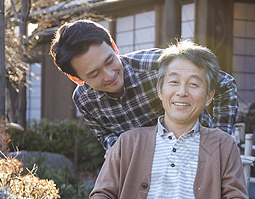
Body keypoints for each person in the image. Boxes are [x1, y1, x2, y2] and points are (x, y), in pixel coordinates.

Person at [71, 40, 251, 199]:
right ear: (159, 90)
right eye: (174, 82)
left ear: (209, 95)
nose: (182, 92)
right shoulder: (128, 141)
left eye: (194, 84)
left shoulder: (222, 143)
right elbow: (103, 195)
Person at [50, 20, 238, 151]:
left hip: (197, 153)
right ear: (77, 79)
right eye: (94, 74)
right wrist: (118, 150)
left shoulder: (157, 64)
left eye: (109, 61)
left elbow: (225, 84)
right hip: (146, 172)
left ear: (114, 47)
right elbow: (105, 135)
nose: (109, 75)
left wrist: (219, 140)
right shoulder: (84, 99)